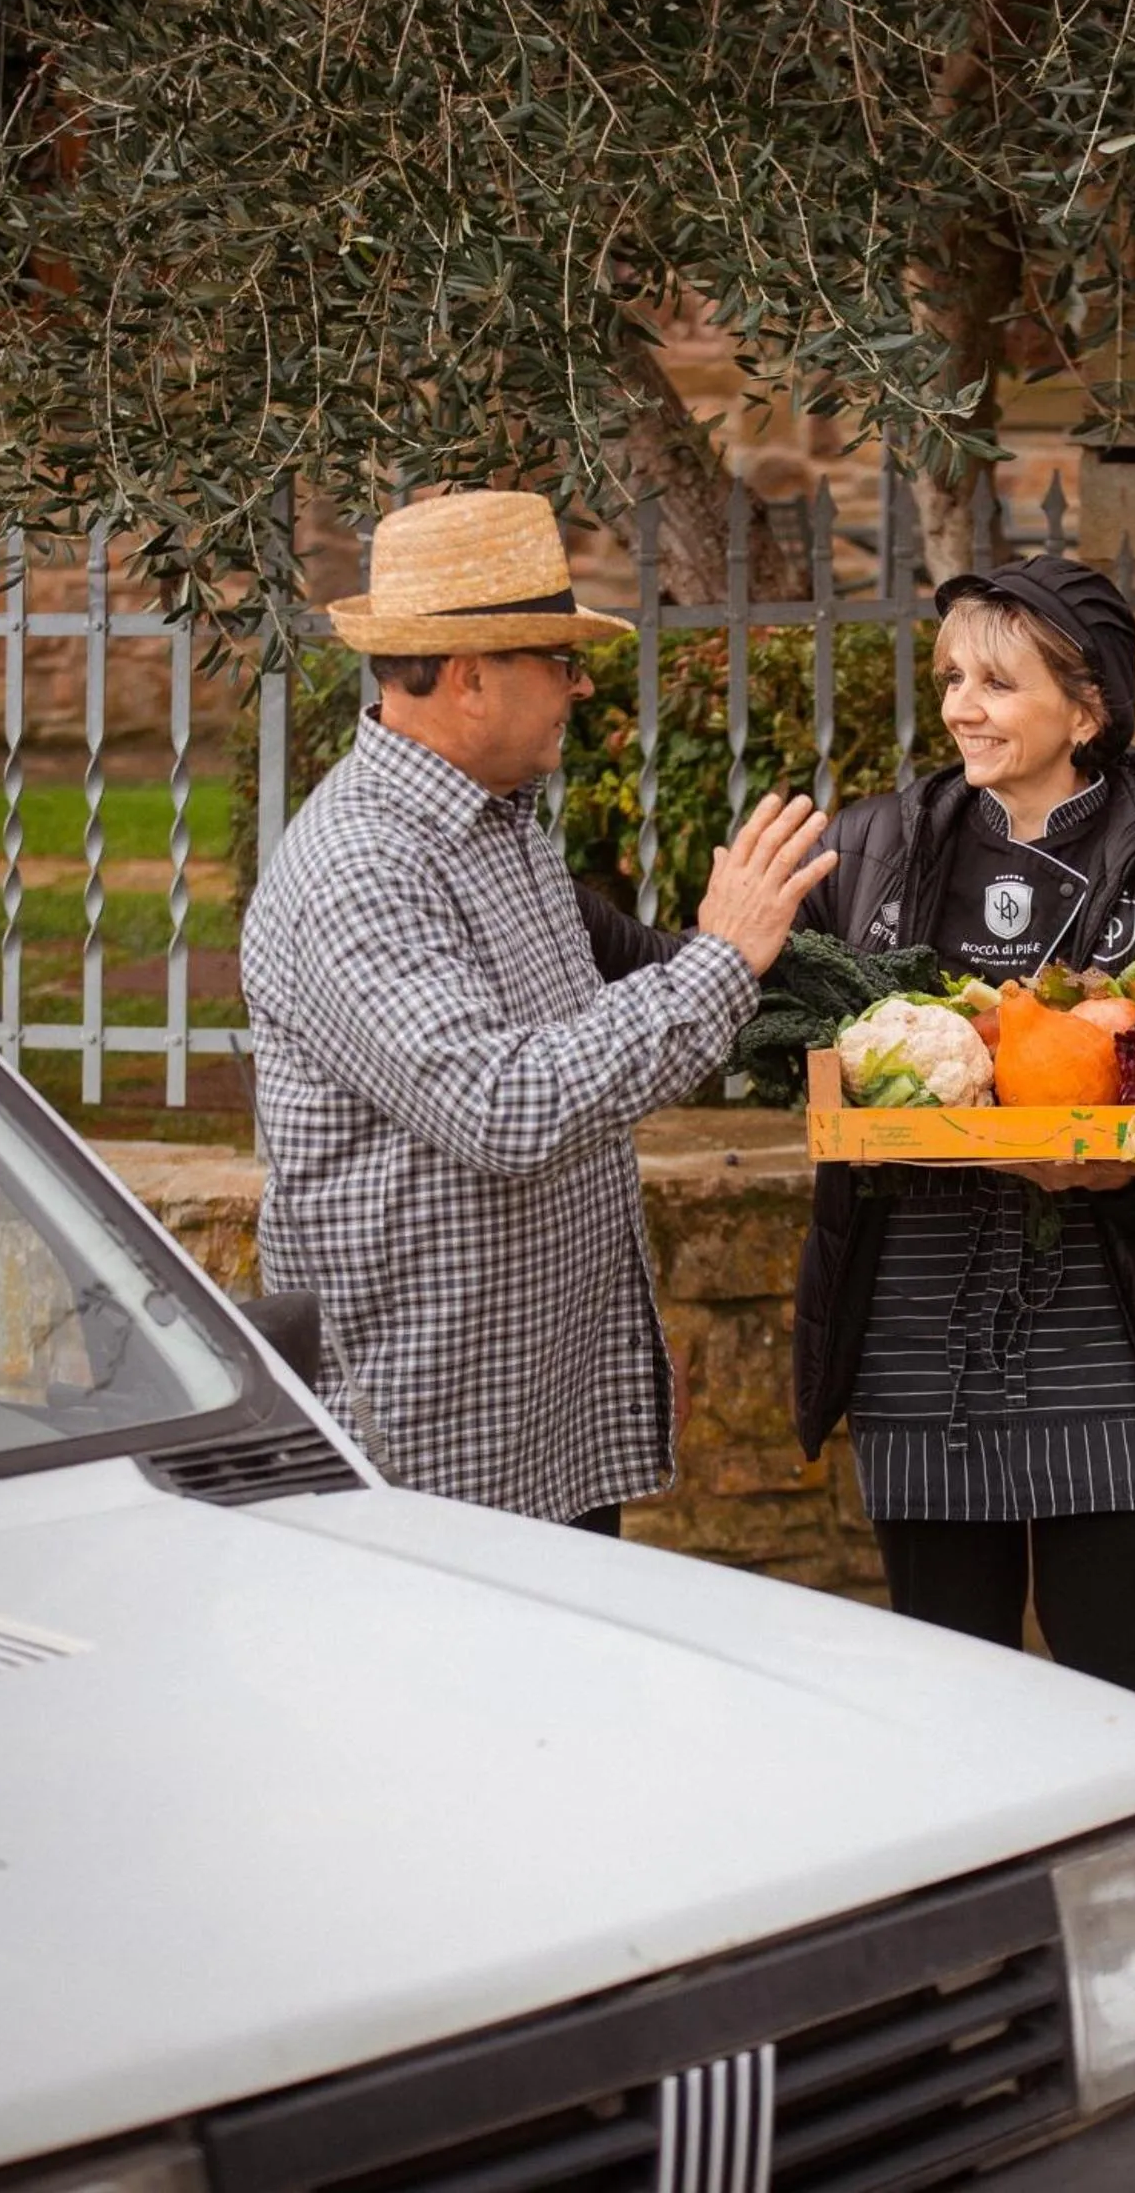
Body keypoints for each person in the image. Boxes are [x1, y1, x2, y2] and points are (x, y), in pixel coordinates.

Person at [241, 489, 834, 1532]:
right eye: (558, 659)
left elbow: (577, 1072)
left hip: (543, 1430)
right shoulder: (362, 868)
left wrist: (617, 1356)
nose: (580, 682)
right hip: (431, 1468)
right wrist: (725, 955)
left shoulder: (497, 826)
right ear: (471, 678)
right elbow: (506, 1107)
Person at [790, 554, 1135, 1753]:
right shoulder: (875, 853)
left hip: (1102, 1340)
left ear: (1089, 706)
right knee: (949, 1704)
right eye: (953, 676)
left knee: (1133, 1690)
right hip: (918, 1334)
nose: (961, 705)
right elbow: (748, 996)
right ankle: (993, 1947)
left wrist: (1130, 1166)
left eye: (998, 682)